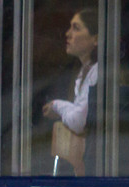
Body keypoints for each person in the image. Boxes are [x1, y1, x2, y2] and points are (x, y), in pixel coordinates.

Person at [42, 8, 98, 136]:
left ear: (96, 39)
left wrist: (57, 106)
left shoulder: (97, 72)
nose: (68, 34)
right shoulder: (84, 70)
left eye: (76, 28)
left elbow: (78, 121)